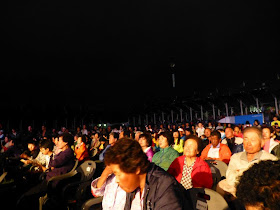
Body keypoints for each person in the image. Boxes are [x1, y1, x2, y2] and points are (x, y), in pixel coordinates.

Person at [104, 138, 191, 209]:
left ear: (136, 169)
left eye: (118, 174)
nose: (117, 180)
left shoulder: (165, 187)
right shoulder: (134, 186)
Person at [216, 127, 278, 200]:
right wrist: (247, 173)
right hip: (236, 190)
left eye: (253, 140)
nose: (248, 143)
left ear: (262, 142)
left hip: (257, 198)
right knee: (221, 185)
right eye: (245, 139)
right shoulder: (235, 157)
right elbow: (230, 176)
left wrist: (239, 172)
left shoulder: (270, 160)